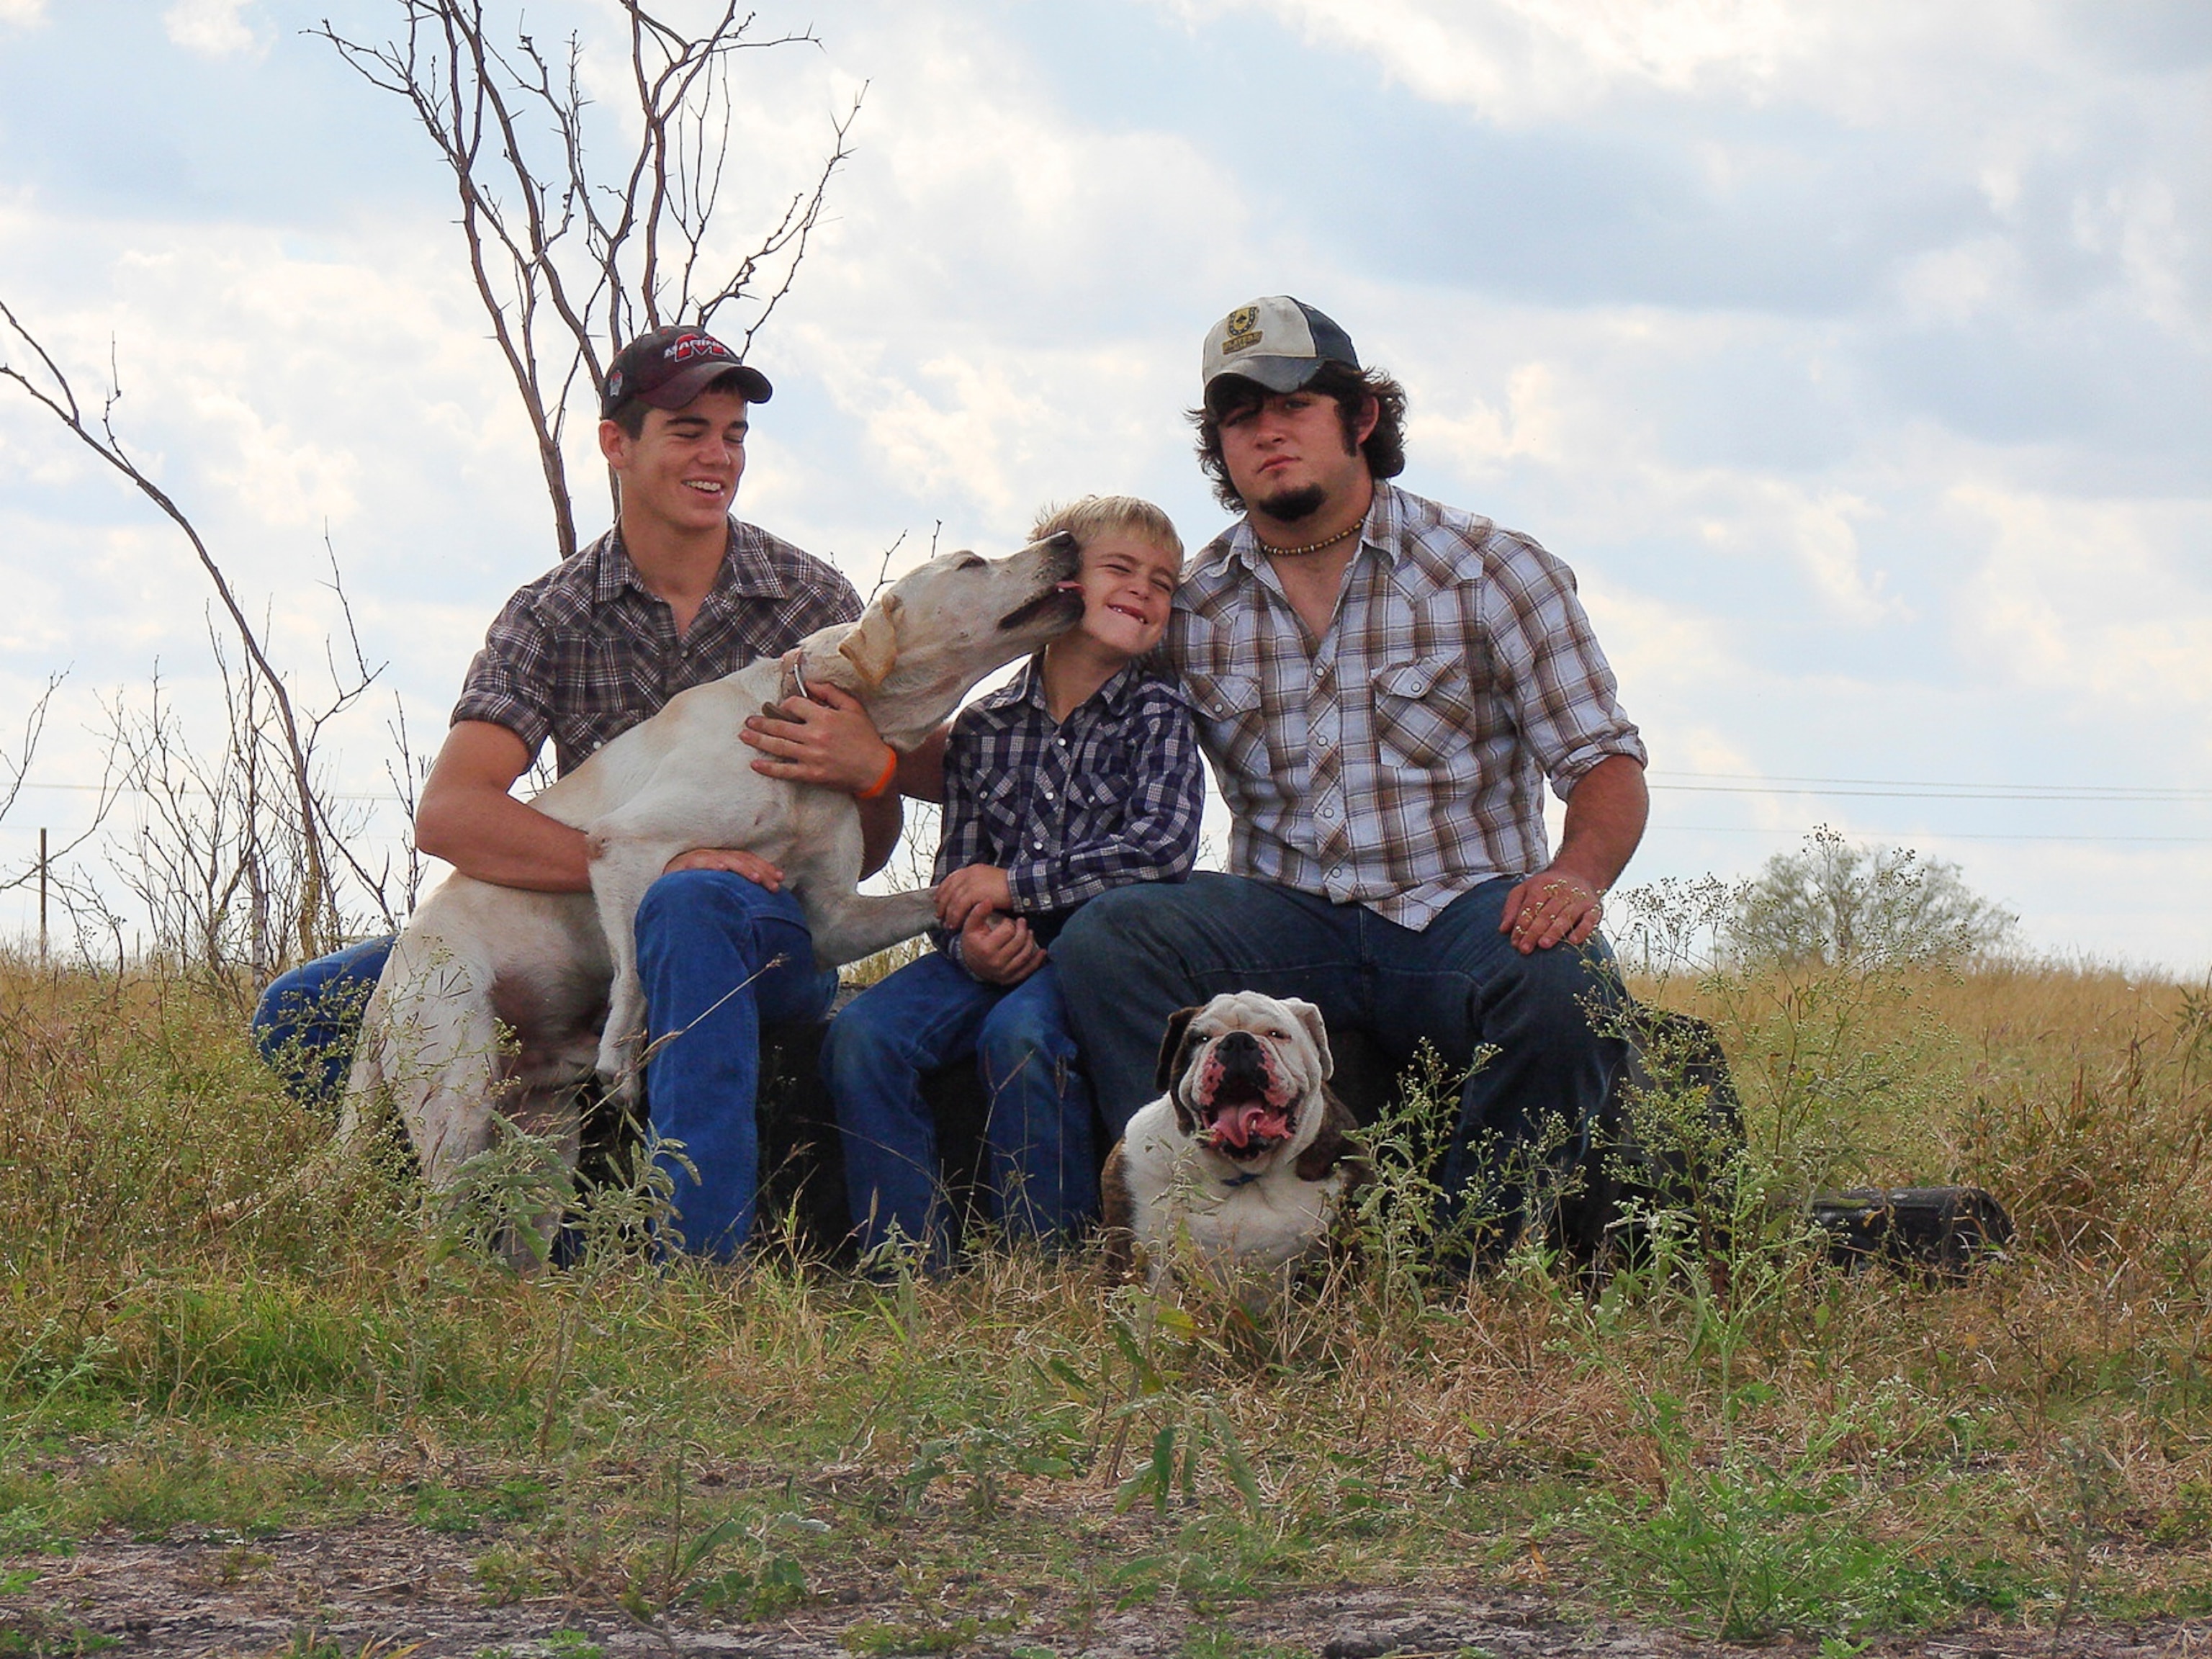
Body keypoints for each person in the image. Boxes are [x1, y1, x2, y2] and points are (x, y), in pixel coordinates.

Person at [253, 323, 904, 1258]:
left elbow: (869, 844)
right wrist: (647, 862)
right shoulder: (550, 612)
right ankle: (473, 1197)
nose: (717, 456)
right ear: (617, 444)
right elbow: (454, 812)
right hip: (582, 948)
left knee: (696, 917)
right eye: (689, 430)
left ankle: (653, 1228)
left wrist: (866, 770)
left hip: (749, 942)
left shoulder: (812, 603)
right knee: (302, 1016)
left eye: (734, 434)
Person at [1053, 296, 1651, 1255]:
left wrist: (1576, 875)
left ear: (1361, 417)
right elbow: (1060, 722)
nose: (1267, 433)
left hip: (1458, 917)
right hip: (1282, 925)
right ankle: (1186, 1232)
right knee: (1110, 938)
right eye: (1239, 417)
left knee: (1568, 984)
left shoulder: (1494, 570)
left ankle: (1468, 1268)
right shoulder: (1191, 602)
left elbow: (1604, 761)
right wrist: (878, 762)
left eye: (1293, 404)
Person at [819, 497, 1204, 1267]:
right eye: (1120, 570)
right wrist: (972, 945)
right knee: (861, 1034)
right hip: (994, 955)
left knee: (1020, 1036)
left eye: (1163, 583)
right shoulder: (985, 727)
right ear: (1062, 583)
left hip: (1094, 957)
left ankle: (1046, 1266)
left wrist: (1018, 886)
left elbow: (1161, 849)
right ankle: (910, 1262)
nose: (1144, 591)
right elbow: (957, 876)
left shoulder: (1159, 711)